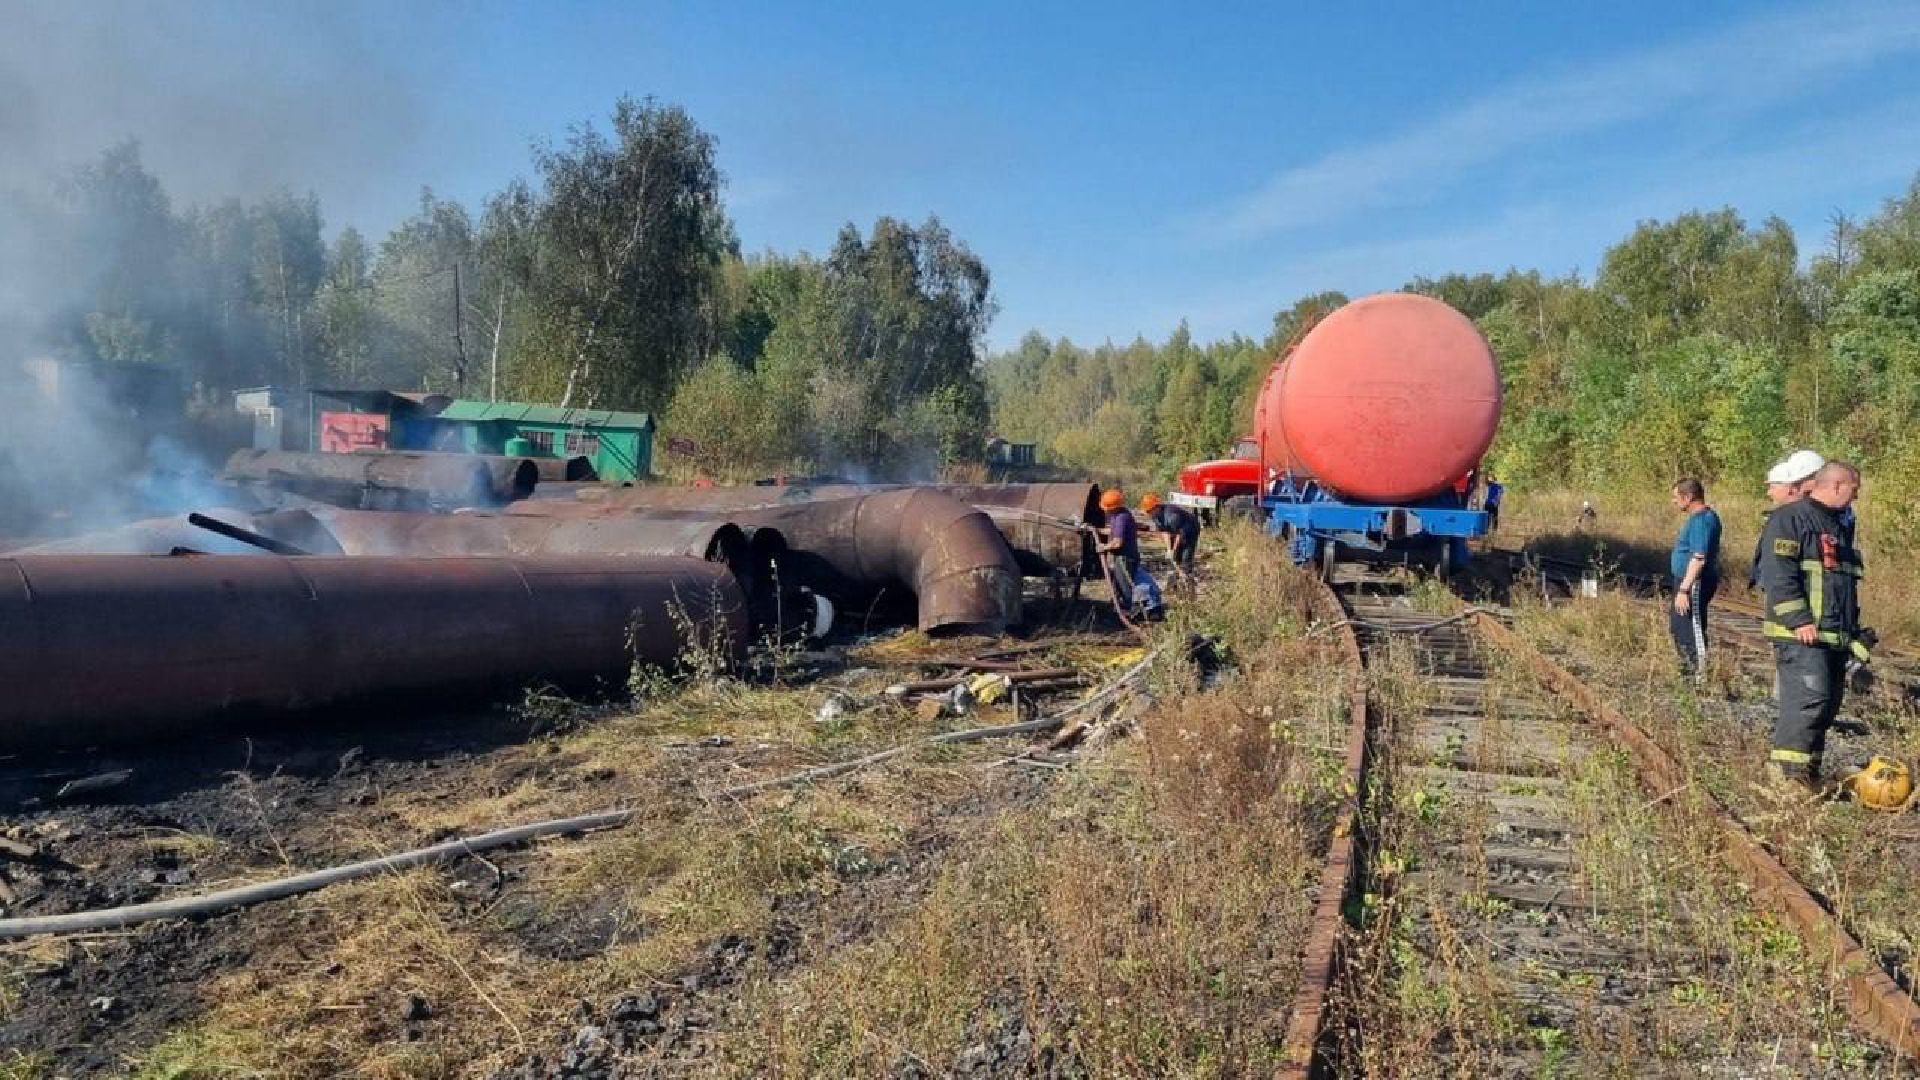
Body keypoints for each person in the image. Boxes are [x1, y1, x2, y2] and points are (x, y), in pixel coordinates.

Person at [1757, 461, 1867, 794]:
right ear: (1836, 485)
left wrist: (1853, 633)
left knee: (1826, 706)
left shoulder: (1835, 526)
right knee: (1808, 701)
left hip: (1831, 636)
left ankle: (1808, 775)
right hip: (1802, 634)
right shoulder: (1789, 519)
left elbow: (1841, 585)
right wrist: (1799, 619)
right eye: (1853, 490)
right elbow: (1778, 574)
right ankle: (1786, 778)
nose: (1855, 498)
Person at [1668, 478, 1722, 681]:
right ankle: (1688, 672)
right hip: (1688, 582)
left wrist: (1684, 590)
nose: (1674, 502)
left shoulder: (1702, 520)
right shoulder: (1698, 518)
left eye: (1676, 497)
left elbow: (1699, 558)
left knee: (1691, 629)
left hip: (1694, 583)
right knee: (1679, 627)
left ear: (1688, 497)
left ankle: (1698, 678)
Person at [1097, 488, 1163, 619]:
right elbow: (1112, 532)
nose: (1104, 510)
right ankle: (1126, 607)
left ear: (1112, 507)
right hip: (1123, 557)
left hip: (1125, 558)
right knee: (1121, 583)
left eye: (1106, 507)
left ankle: (1132, 612)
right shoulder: (1119, 515)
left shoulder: (1122, 518)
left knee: (1125, 585)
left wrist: (1103, 547)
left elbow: (1117, 542)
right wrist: (1096, 530)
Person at [1139, 492, 1201, 585]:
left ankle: (1187, 578)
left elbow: (1179, 534)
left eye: (1149, 511)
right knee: (1174, 557)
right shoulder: (1155, 517)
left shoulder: (1172, 515)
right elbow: (1165, 532)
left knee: (1185, 554)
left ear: (1156, 507)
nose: (1148, 513)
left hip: (1190, 529)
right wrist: (1169, 549)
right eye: (1147, 511)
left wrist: (1174, 549)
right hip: (1176, 531)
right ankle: (1176, 579)